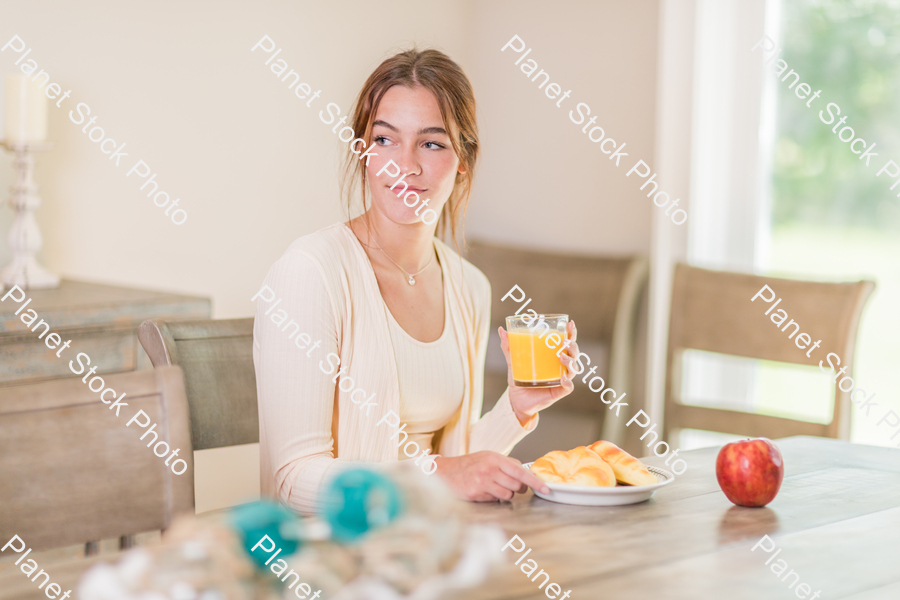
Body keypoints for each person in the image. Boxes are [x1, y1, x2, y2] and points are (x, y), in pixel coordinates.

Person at [253, 47, 579, 515]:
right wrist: (438, 474)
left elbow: (457, 466)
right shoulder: (312, 272)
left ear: (463, 159)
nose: (404, 165)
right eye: (384, 140)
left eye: (431, 143)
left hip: (426, 552)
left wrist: (518, 406)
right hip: (327, 565)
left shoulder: (468, 286)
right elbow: (292, 481)